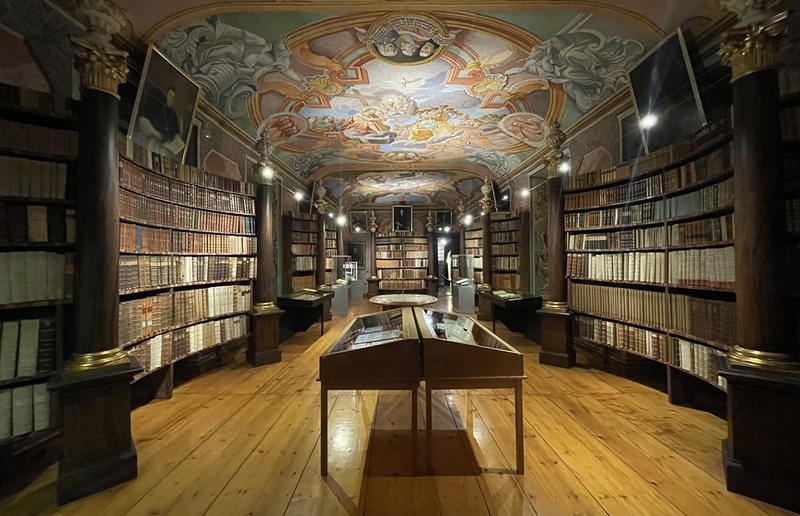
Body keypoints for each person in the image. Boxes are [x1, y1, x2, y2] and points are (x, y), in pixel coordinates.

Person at [135, 85, 184, 157]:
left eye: (174, 97)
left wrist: (178, 140)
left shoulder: (173, 114)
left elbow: (176, 131)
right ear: (166, 95)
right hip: (151, 136)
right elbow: (142, 119)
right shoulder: (158, 105)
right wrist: (154, 132)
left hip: (166, 143)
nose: (172, 99)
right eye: (170, 95)